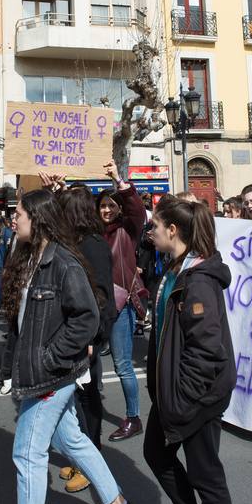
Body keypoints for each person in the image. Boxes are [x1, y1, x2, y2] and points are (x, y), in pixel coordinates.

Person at [0, 190, 138, 504]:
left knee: (27, 454)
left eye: (19, 213)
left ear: (39, 218)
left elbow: (87, 319)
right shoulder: (31, 256)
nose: (14, 219)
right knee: (74, 441)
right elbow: (22, 321)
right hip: (37, 374)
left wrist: (49, 358)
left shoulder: (64, 263)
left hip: (52, 376)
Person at [144, 196, 242, 504]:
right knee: (156, 454)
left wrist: (183, 399)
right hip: (173, 394)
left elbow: (207, 351)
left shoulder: (198, 280)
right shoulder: (174, 269)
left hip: (195, 397)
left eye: (154, 226)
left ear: (173, 230)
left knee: (206, 474)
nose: (148, 231)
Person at [57, 184, 116, 492]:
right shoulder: (79, 242)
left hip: (89, 336)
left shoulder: (93, 245)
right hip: (78, 333)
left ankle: (92, 456)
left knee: (88, 397)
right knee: (77, 397)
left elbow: (102, 295)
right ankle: (81, 455)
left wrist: (94, 337)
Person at [97, 160, 146, 442]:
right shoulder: (93, 231)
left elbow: (137, 210)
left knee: (122, 365)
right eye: (102, 205)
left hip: (120, 305)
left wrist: (119, 180)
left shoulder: (128, 229)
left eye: (111, 206)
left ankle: (133, 417)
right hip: (95, 306)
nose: (106, 210)